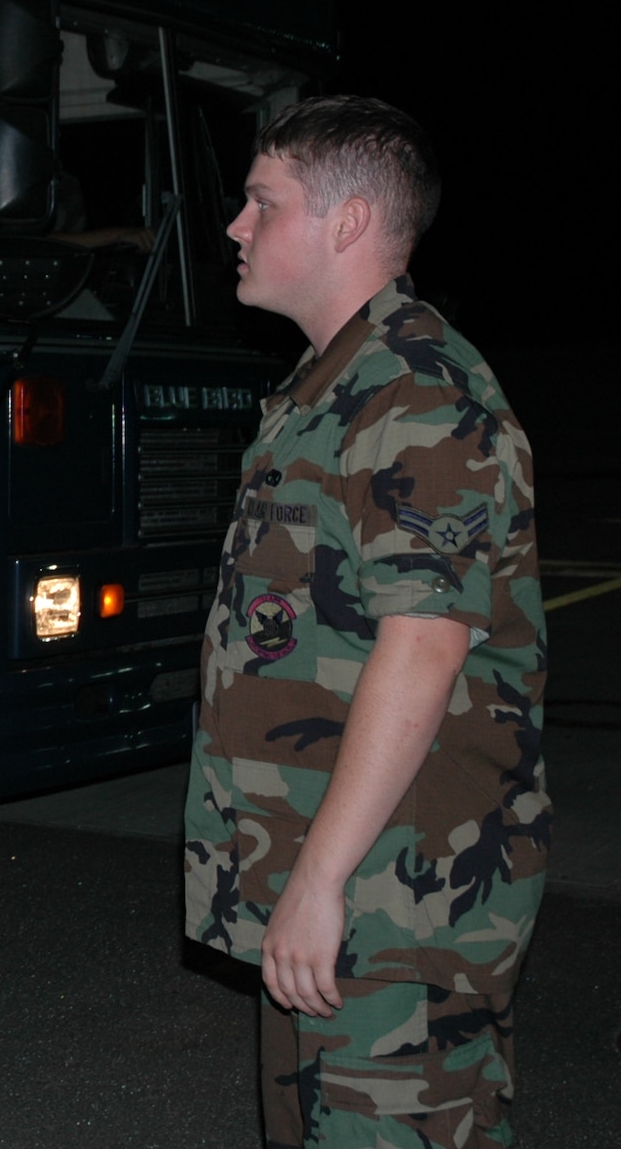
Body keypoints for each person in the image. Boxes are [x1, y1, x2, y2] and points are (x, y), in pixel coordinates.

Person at [182, 96, 548, 1148]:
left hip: (399, 896)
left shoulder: (415, 395)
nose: (233, 227)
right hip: (329, 888)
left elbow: (421, 644)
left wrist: (319, 882)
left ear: (345, 223)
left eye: (261, 202)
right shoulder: (327, 388)